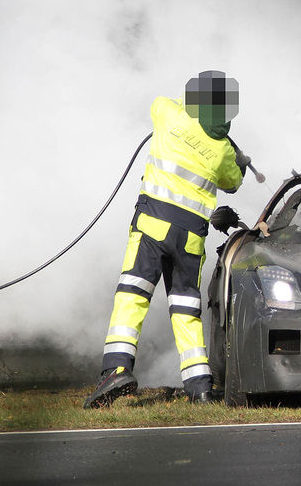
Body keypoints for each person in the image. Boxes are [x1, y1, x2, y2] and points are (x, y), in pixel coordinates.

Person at [84, 70, 248, 408]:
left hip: (153, 226)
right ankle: (200, 386)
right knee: (186, 308)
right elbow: (234, 181)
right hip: (190, 240)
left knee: (132, 295)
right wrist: (238, 156)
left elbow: (164, 103)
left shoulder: (170, 114)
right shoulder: (221, 152)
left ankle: (115, 370)